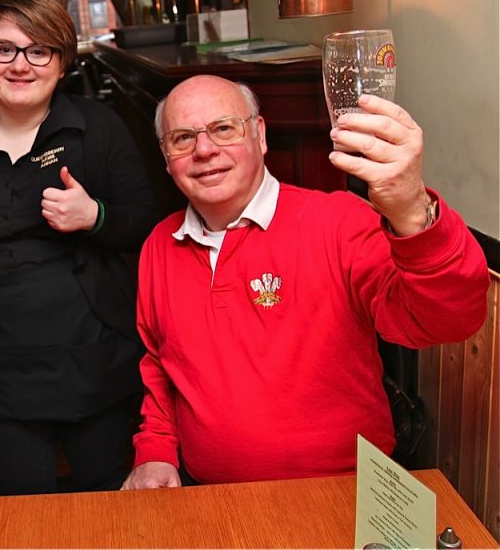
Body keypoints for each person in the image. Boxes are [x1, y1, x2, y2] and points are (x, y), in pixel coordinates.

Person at [124, 74, 488, 489]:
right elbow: (160, 364)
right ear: (166, 156)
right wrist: (155, 449)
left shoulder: (338, 223)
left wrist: (411, 209)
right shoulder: (160, 245)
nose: (204, 150)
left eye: (224, 129)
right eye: (183, 138)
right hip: (211, 498)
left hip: (347, 491)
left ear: (259, 135)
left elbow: (448, 319)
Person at [0, 0, 159, 495]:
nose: (20, 65)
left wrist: (95, 216)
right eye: (4, 49)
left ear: (62, 61)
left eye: (39, 51)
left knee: (109, 510)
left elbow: (145, 220)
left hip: (93, 359)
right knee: (19, 515)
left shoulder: (97, 128)